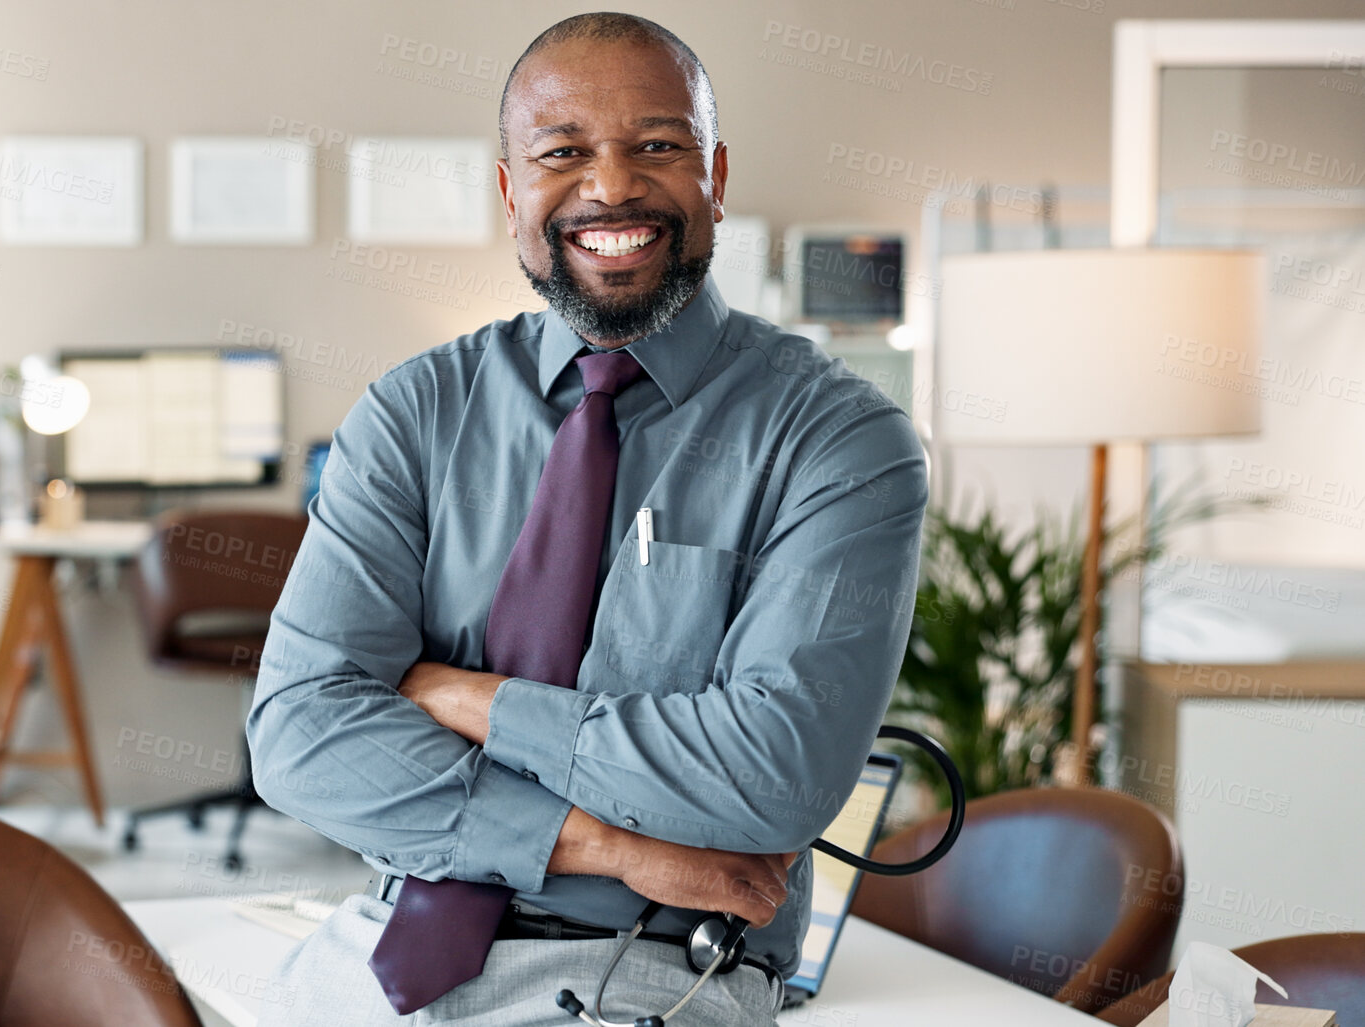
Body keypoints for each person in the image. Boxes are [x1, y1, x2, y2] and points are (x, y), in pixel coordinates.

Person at [247, 12, 927, 1025]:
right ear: (511, 187)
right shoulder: (415, 410)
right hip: (388, 932)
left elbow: (772, 777)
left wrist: (468, 698)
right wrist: (624, 846)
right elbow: (300, 732)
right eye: (563, 152)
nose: (611, 187)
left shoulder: (839, 440)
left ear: (716, 176)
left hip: (649, 966)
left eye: (657, 144)